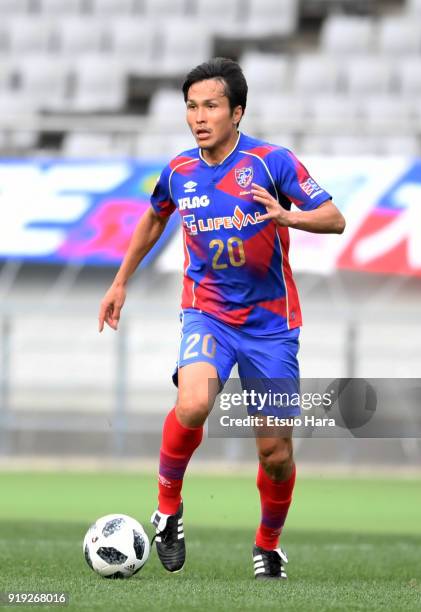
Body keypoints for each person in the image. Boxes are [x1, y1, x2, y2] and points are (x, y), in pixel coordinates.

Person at [99, 57, 345, 580]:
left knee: (275, 451)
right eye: (191, 106)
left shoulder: (272, 163)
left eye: (211, 105)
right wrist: (120, 280)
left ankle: (268, 544)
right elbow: (152, 218)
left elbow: (335, 217)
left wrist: (288, 215)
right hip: (206, 312)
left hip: (271, 326)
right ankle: (167, 510)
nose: (199, 116)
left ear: (237, 111)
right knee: (192, 402)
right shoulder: (179, 171)